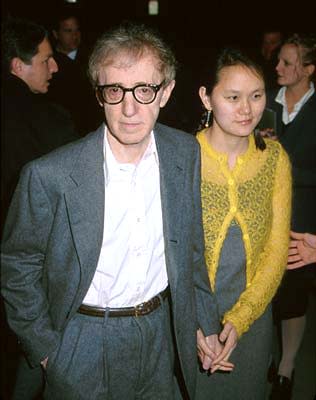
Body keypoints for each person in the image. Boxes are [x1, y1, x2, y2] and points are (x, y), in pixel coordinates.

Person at [1, 22, 235, 400]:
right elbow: (17, 265)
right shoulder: (50, 175)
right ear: (99, 95)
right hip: (82, 339)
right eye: (115, 90)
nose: (129, 108)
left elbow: (190, 248)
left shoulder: (184, 153)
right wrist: (47, 352)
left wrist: (203, 322)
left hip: (161, 333)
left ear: (166, 92)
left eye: (144, 90)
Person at [194, 48, 292, 400]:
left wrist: (240, 319)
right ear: (206, 97)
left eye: (256, 96)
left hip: (253, 320)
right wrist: (193, 325)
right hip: (189, 323)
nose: (247, 109)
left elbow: (277, 251)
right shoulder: (182, 158)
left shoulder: (274, 160)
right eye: (232, 97)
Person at [1, 17, 80, 400]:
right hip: (30, 277)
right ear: (18, 66)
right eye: (46, 59)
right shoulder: (48, 123)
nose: (55, 66)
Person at [264, 33, 316, 400]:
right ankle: (265, 356)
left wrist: (284, 161)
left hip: (304, 222)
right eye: (278, 60)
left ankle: (287, 366)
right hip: (264, 215)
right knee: (265, 290)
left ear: (308, 69)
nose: (277, 67)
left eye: (286, 62)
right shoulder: (265, 102)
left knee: (294, 294)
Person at [47, 9, 102, 135]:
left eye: (77, 30)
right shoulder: (49, 63)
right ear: (56, 34)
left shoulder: (92, 58)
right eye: (68, 31)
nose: (75, 35)